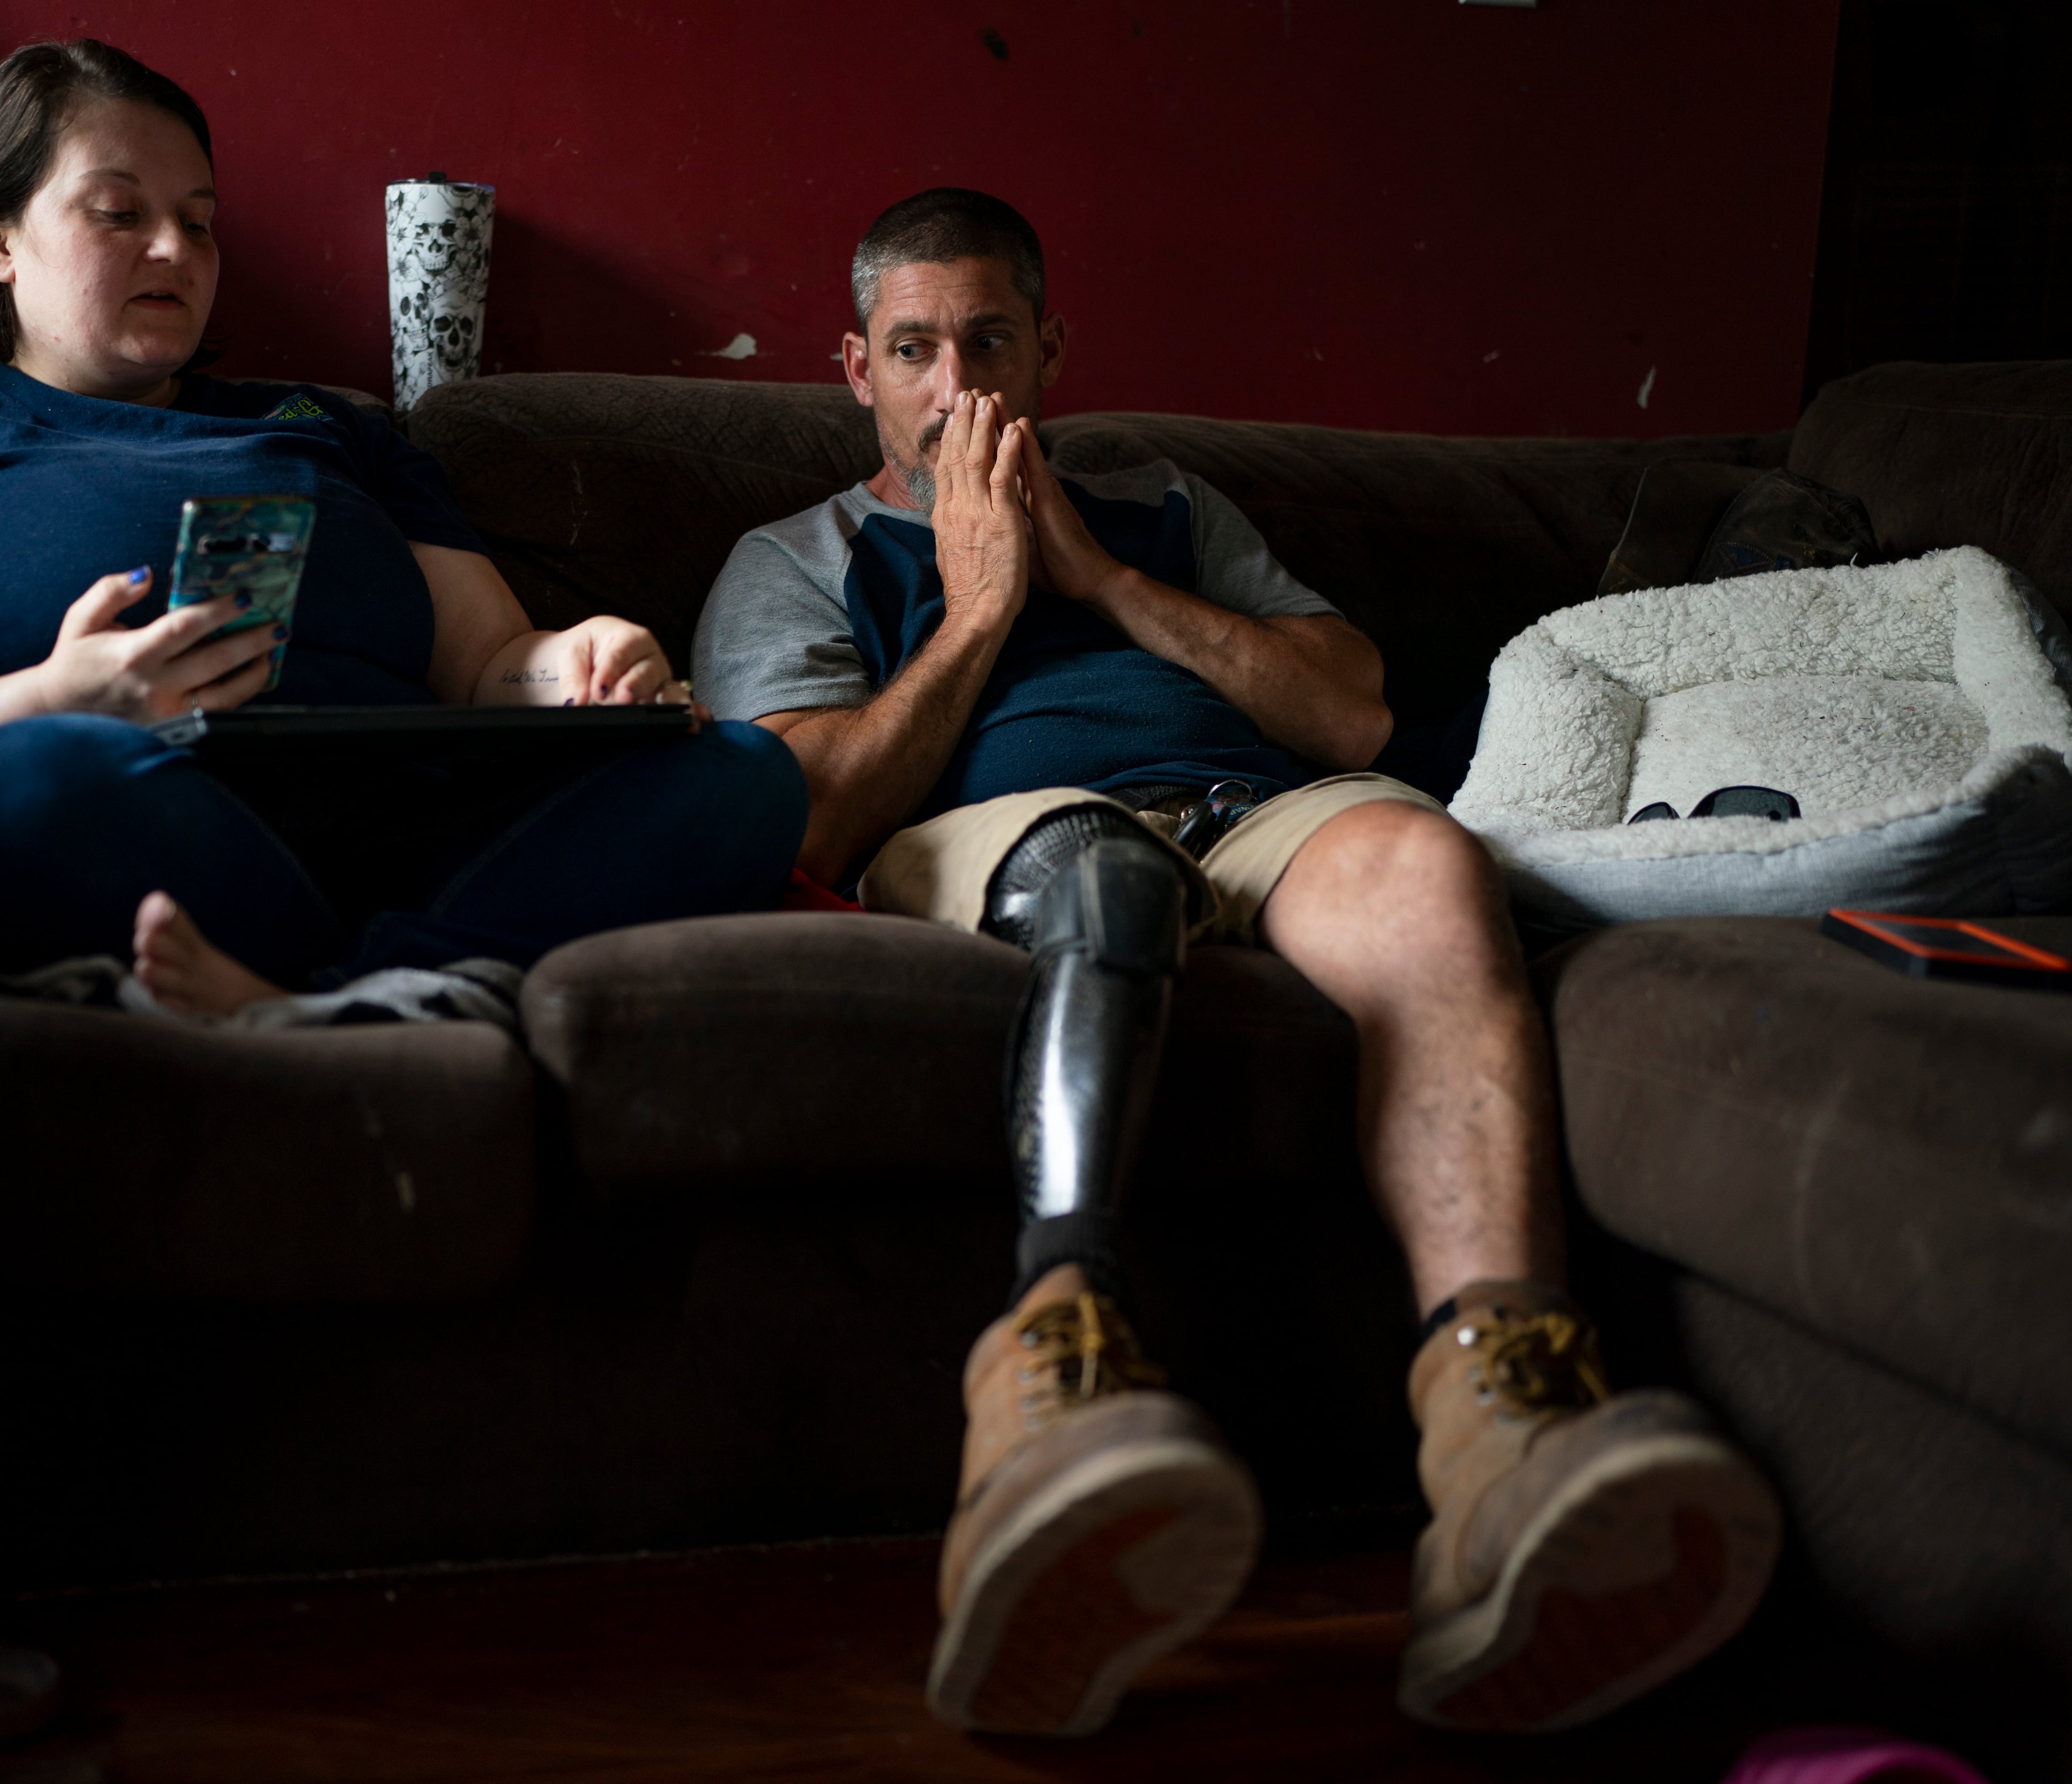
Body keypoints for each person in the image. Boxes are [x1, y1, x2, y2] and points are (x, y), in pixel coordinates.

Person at [690, 189, 1783, 1738]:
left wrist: (1102, 578)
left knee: (1426, 859)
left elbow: (1349, 712)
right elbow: (813, 803)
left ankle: (1503, 1425)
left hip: (1255, 805)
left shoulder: (1170, 508)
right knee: (1108, 876)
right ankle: (1050, 1387)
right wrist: (986, 605)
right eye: (916, 348)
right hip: (1006, 825)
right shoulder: (793, 556)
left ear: (1051, 350)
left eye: (989, 340)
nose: (957, 385)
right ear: (854, 366)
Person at [0, 40, 805, 1013]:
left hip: (420, 834)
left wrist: (580, 662)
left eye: (197, 221)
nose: (174, 248)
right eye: (120, 213)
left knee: (742, 771)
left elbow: (488, 662)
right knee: (16, 789)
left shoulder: (337, 435)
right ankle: (417, 990)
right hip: (147, 821)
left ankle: (334, 996)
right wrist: (60, 698)